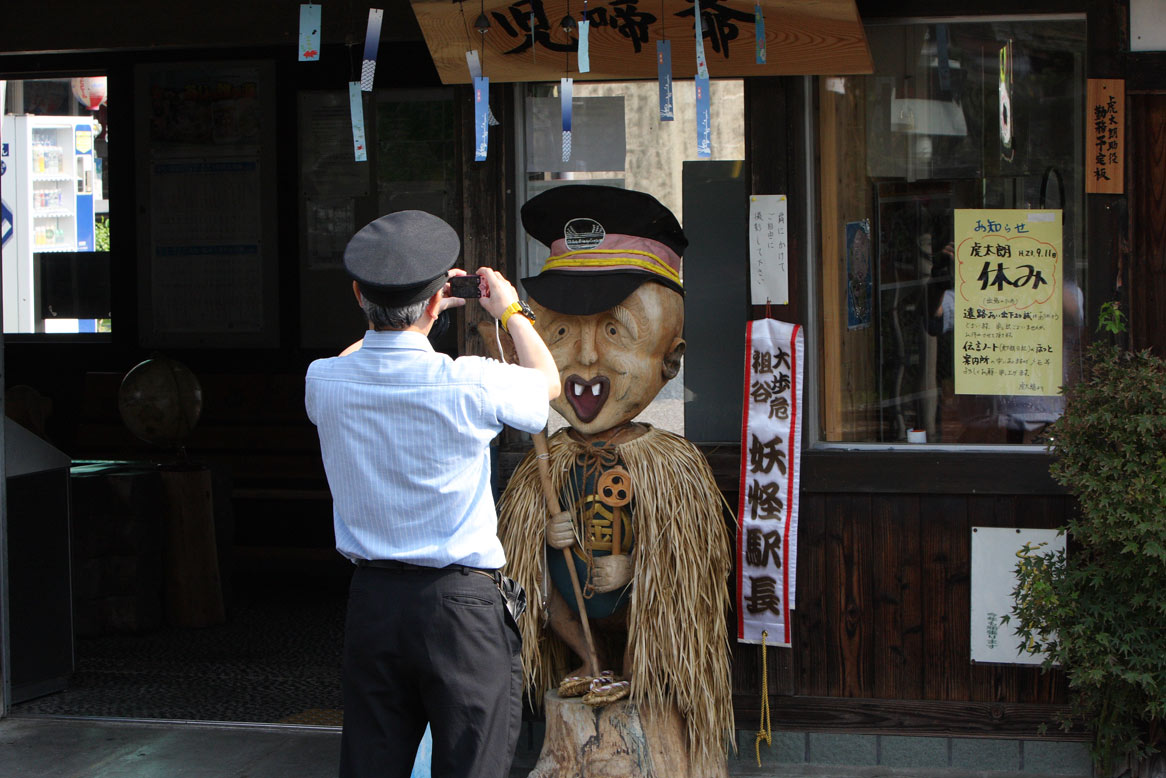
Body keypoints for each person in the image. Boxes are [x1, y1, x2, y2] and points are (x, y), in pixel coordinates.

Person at [304, 210, 560, 778]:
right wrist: (510, 311)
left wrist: (396, 316)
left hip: (373, 603)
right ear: (438, 298)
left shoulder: (323, 380)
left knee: (372, 764)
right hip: (459, 608)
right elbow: (548, 386)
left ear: (356, 295)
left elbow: (358, 356)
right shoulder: (468, 379)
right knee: (471, 765)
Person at [494, 185, 734, 776]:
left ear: (670, 361)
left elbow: (687, 571)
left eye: (614, 331)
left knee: (638, 604)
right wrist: (544, 538)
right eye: (559, 333)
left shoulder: (670, 467)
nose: (582, 359)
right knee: (539, 587)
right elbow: (518, 566)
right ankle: (584, 658)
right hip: (574, 597)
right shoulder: (542, 467)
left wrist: (635, 567)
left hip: (630, 607)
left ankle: (630, 664)